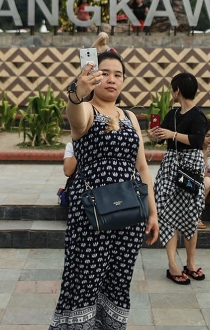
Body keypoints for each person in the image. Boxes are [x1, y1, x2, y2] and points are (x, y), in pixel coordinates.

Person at [51, 34, 159, 330]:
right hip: (91, 215)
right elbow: (74, 117)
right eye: (106, 73)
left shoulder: (130, 117)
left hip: (130, 216)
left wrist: (153, 212)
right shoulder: (88, 110)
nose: (112, 79)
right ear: (95, 77)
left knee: (118, 281)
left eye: (118, 75)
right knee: (83, 279)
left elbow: (143, 169)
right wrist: (76, 93)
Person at [149, 72, 207, 285]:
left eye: (172, 88)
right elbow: (159, 136)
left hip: (190, 167)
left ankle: (190, 263)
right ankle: (173, 264)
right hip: (170, 166)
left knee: (191, 213)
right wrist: (154, 136)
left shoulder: (198, 115)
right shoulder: (173, 114)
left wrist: (172, 135)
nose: (171, 92)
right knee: (166, 212)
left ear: (178, 90)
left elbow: (198, 140)